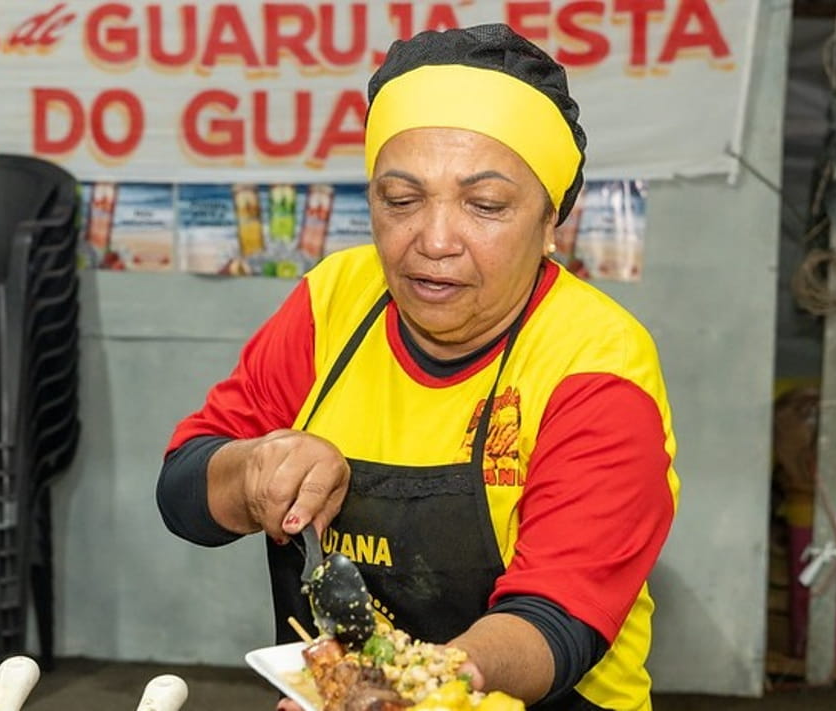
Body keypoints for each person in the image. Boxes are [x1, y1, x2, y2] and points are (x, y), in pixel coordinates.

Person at [158, 23, 679, 711]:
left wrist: (410, 688)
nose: (433, 241)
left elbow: (557, 622)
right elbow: (186, 491)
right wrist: (254, 470)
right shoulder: (335, 301)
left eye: (485, 205)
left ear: (551, 219)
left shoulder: (597, 363)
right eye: (401, 200)